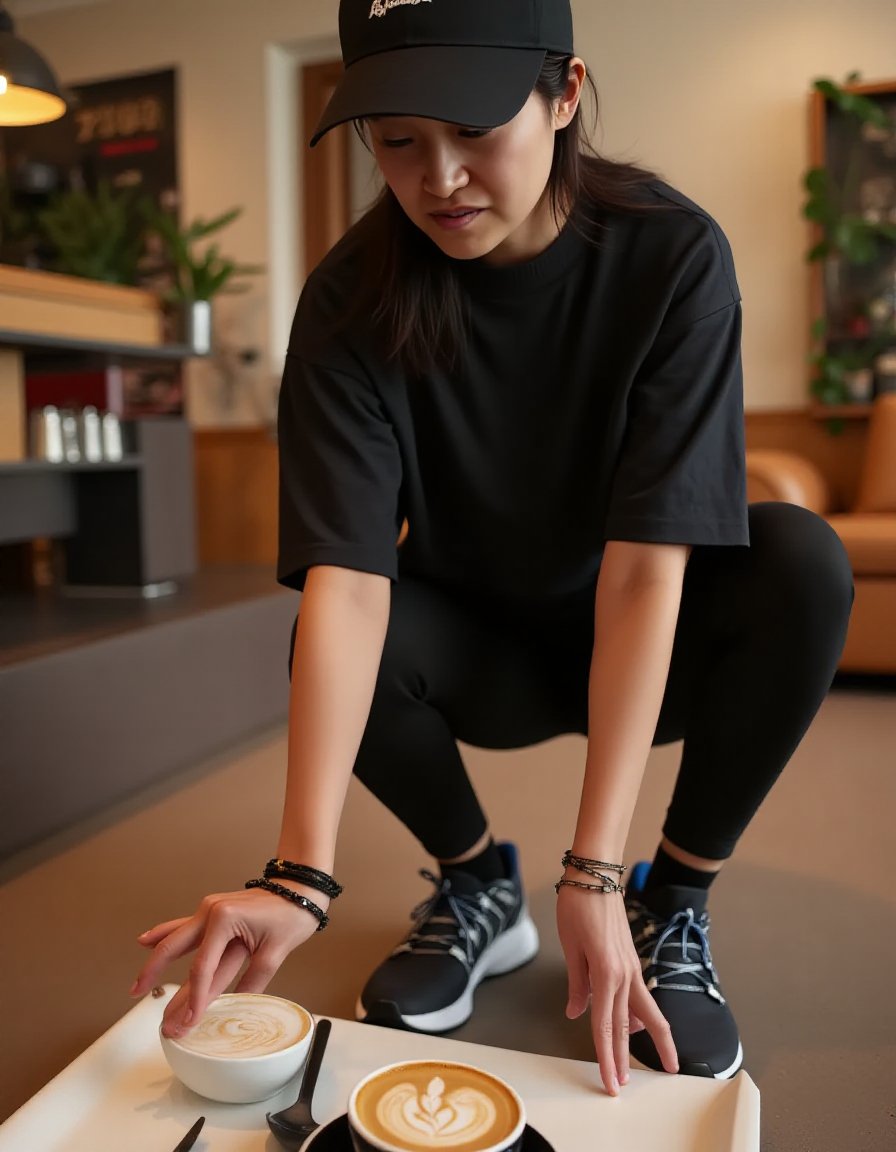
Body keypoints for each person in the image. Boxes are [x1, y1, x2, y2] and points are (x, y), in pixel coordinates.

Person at [132, 0, 853, 1096]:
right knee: (329, 639)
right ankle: (476, 886)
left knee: (801, 560)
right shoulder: (347, 301)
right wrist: (298, 874)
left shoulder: (669, 255)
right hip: (478, 646)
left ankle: (675, 904)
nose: (440, 178)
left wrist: (598, 873)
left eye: (474, 129)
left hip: (643, 640)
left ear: (563, 94)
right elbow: (347, 584)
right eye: (400, 140)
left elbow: (647, 568)